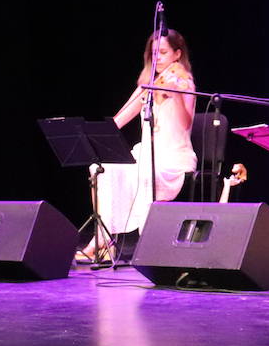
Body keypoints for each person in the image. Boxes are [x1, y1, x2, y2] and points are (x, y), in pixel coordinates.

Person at [79, 30, 198, 262]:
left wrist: (177, 94)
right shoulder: (149, 86)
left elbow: (185, 124)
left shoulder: (184, 82)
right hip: (146, 153)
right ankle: (105, 239)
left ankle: (147, 244)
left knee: (144, 174)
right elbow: (120, 118)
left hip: (174, 157)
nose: (158, 58)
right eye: (153, 53)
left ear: (177, 54)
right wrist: (93, 137)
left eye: (163, 52)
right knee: (102, 169)